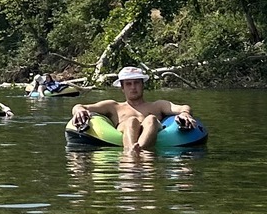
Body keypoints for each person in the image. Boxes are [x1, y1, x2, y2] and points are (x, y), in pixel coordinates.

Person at [68, 65, 199, 156]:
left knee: (151, 119)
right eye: (128, 84)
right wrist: (79, 110)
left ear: (142, 85)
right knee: (131, 121)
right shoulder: (113, 106)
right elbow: (80, 106)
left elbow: (183, 107)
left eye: (136, 83)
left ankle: (139, 151)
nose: (133, 87)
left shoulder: (157, 105)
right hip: (124, 131)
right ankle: (131, 152)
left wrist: (185, 113)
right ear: (122, 88)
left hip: (153, 131)